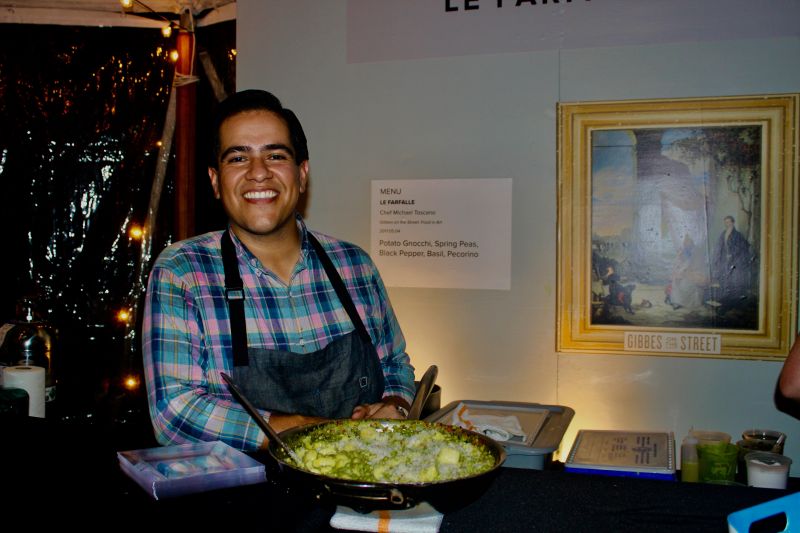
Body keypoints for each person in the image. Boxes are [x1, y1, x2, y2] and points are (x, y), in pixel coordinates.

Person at [142, 89, 416, 451]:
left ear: (302, 175)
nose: (259, 173)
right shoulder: (183, 272)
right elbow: (174, 414)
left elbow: (394, 363)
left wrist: (395, 405)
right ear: (214, 180)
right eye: (238, 158)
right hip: (244, 500)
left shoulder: (354, 265)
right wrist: (311, 431)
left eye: (275, 155)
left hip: (359, 494)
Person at [711, 215, 752, 306]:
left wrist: (732, 255)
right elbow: (719, 246)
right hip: (724, 260)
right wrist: (719, 256)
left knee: (733, 279)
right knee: (723, 278)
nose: (727, 224)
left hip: (735, 261)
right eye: (725, 222)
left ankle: (733, 301)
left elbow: (742, 247)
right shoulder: (723, 233)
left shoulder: (737, 235)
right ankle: (724, 298)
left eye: (729, 222)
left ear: (733, 222)